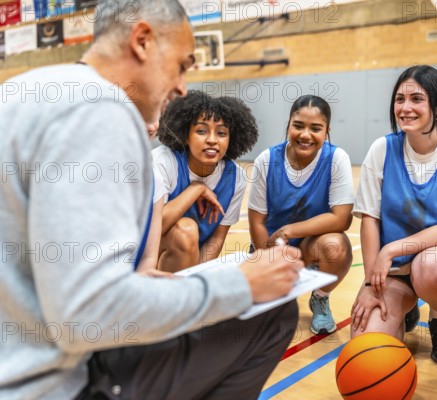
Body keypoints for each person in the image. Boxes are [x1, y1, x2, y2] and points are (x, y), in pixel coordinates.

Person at [0, 1, 304, 399]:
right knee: (274, 312)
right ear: (142, 41)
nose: (181, 87)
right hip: (55, 383)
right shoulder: (100, 109)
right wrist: (240, 285)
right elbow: (85, 316)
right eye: (181, 65)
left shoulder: (22, 89)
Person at [350, 65, 437, 363]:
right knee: (368, 352)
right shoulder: (382, 149)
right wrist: (371, 285)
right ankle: (404, 308)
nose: (405, 107)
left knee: (433, 267)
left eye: (416, 99)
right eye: (400, 99)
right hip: (393, 270)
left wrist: (392, 248)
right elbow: (370, 219)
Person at [248, 95, 354, 335]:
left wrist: (289, 230)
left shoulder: (337, 159)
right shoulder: (266, 160)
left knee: (336, 245)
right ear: (288, 125)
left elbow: (341, 219)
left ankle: (320, 298)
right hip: (271, 247)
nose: (305, 134)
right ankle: (274, 288)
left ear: (327, 131)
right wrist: (267, 260)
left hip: (308, 246)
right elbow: (257, 221)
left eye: (315, 128)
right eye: (298, 126)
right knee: (264, 323)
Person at [152, 90, 258, 272]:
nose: (212, 140)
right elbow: (153, 227)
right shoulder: (164, 161)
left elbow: (216, 239)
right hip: (147, 255)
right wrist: (196, 189)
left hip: (189, 263)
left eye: (221, 133)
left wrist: (198, 280)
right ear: (186, 135)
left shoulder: (236, 177)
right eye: (201, 131)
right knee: (186, 231)